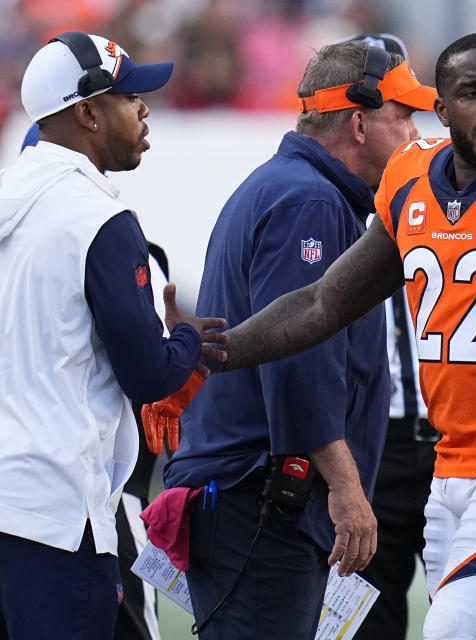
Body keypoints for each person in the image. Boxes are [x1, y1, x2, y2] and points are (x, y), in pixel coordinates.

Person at [152, 31, 476, 640]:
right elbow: (322, 304)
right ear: (442, 110)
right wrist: (211, 352)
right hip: (444, 472)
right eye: (471, 92)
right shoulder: (404, 181)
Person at [160, 40, 435, 639]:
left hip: (250, 490)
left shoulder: (298, 188)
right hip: (260, 493)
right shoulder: (309, 199)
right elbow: (297, 360)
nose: (416, 134)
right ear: (360, 123)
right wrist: (345, 487)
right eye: (403, 116)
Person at [0, 31, 225, 639]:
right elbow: (149, 373)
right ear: (88, 111)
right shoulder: (96, 215)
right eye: (130, 95)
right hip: (56, 511)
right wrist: (187, 343)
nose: (145, 108)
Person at [346, 33, 440, 640]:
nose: (411, 129)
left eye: (413, 114)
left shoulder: (444, 189)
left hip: (448, 438)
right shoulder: (327, 203)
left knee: (473, 613)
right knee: (366, 617)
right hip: (372, 443)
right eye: (398, 114)